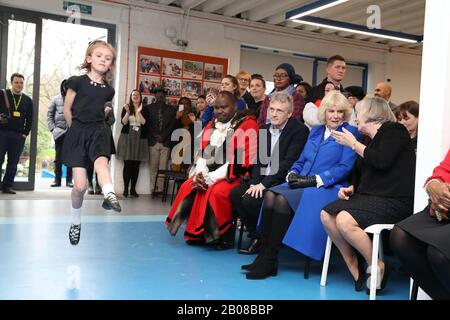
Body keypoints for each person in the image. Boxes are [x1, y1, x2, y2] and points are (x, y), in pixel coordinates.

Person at [243, 91, 358, 280]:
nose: (335, 116)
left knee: (280, 200)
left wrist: (315, 180)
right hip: (303, 182)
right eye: (331, 111)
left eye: (339, 111)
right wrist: (293, 173)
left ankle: (270, 259)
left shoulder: (350, 134)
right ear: (324, 113)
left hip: (328, 187)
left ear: (345, 113)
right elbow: (302, 158)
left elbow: (344, 168)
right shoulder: (316, 130)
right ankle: (265, 256)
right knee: (271, 195)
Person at [320, 96, 416, 293]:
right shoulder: (370, 140)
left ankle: (377, 264)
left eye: (358, 112)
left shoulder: (394, 130)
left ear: (372, 114)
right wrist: (353, 188)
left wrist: (354, 144)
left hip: (395, 200)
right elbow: (371, 175)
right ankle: (355, 268)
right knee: (326, 216)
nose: (355, 118)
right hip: (372, 197)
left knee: (345, 220)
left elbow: (382, 161)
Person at [166, 91, 258, 249]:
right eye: (216, 108)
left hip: (235, 175)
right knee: (189, 185)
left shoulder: (248, 124)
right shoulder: (212, 124)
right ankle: (198, 234)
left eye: (224, 107)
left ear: (234, 106)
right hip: (210, 171)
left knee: (216, 192)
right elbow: (203, 152)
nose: (219, 111)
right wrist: (201, 174)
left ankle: (221, 237)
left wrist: (212, 178)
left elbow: (241, 160)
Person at [230, 92, 309, 255]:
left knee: (252, 200)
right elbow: (259, 162)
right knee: (236, 194)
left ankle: (268, 239)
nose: (273, 113)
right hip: (263, 178)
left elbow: (288, 164)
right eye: (271, 109)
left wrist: (264, 184)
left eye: (279, 111)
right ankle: (257, 235)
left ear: (289, 114)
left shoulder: (299, 131)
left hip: (283, 181)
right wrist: (254, 183)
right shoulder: (264, 129)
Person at [62, 40, 120, 246]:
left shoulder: (108, 90)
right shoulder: (76, 82)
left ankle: (110, 195)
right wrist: (74, 131)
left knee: (101, 164)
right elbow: (67, 109)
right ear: (89, 59)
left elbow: (104, 112)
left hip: (99, 131)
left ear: (111, 64)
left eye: (108, 58)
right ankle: (75, 222)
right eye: (99, 55)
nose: (103, 60)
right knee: (80, 186)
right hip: (78, 132)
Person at [390, 149, 450, 300]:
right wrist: (433, 184)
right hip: (446, 209)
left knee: (438, 252)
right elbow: (443, 170)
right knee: (401, 236)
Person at [0, 73, 34, 194]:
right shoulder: (3, 95)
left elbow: (30, 119)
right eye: (16, 82)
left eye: (21, 83)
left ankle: (7, 186)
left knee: (13, 162)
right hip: (2, 133)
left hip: (18, 135)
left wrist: (25, 133)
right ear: (12, 83)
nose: (19, 85)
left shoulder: (27, 100)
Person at [116, 90, 149, 198]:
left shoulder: (145, 108)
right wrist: (127, 112)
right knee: (128, 164)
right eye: (133, 95)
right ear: (131, 97)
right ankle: (125, 189)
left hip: (140, 138)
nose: (135, 96)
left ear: (140, 97)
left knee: (136, 165)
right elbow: (124, 122)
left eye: (137, 95)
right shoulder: (126, 107)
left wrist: (138, 112)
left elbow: (144, 122)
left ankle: (133, 189)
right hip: (127, 137)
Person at [146, 86, 177, 195]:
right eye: (158, 93)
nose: (160, 95)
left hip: (165, 141)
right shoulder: (148, 108)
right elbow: (147, 124)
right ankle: (152, 189)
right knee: (153, 167)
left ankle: (160, 190)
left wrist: (163, 136)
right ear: (154, 95)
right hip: (153, 141)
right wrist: (155, 135)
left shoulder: (172, 109)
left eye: (162, 93)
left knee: (163, 168)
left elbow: (172, 125)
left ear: (165, 95)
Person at [258, 63, 305, 127]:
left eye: (283, 76)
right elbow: (261, 121)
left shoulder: (296, 97)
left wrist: (281, 136)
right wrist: (263, 137)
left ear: (290, 78)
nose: (278, 79)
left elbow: (295, 120)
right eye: (276, 75)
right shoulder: (269, 97)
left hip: (287, 134)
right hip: (267, 134)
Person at [47, 78, 73, 188]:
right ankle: (57, 180)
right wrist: (53, 129)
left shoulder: (75, 98)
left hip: (72, 133)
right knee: (58, 158)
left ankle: (69, 181)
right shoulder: (56, 99)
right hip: (59, 133)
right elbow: (49, 115)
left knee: (71, 158)